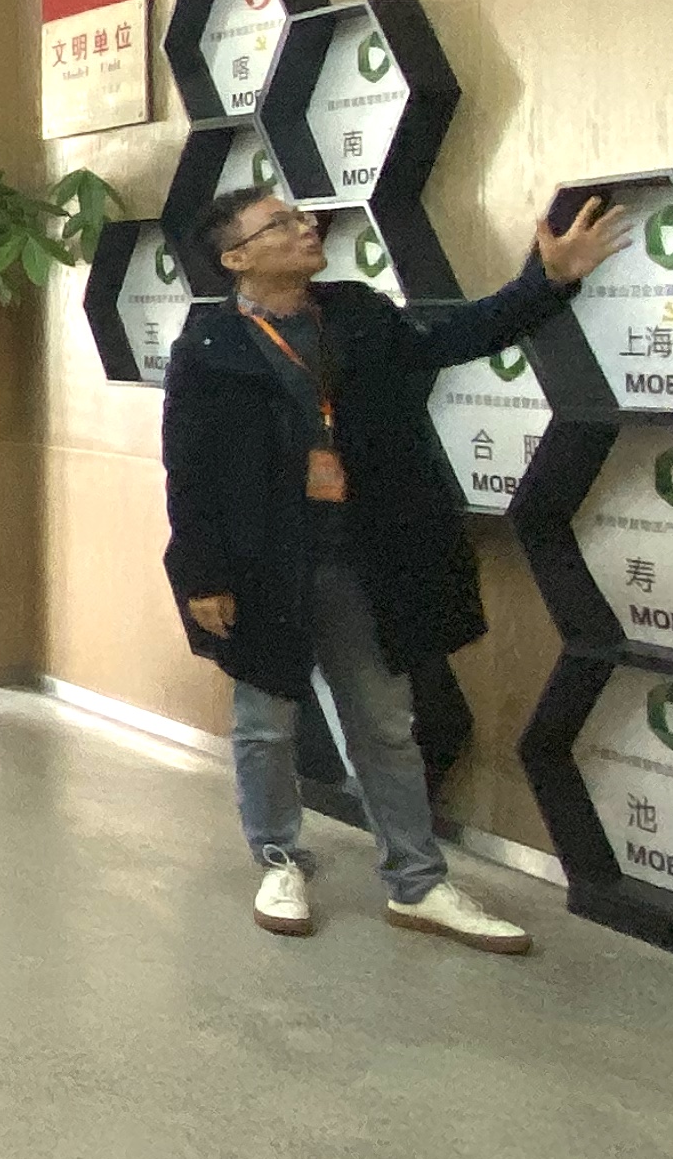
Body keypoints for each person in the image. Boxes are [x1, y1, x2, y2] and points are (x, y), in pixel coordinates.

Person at [165, 186, 632, 952]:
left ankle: (417, 882)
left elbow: (450, 339)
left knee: (384, 726)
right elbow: (189, 471)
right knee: (265, 725)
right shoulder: (209, 347)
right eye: (281, 223)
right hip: (263, 569)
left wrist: (546, 282)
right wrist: (200, 575)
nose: (306, 226)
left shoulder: (356, 312)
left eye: (301, 216)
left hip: (364, 558)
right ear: (236, 256)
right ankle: (279, 860)